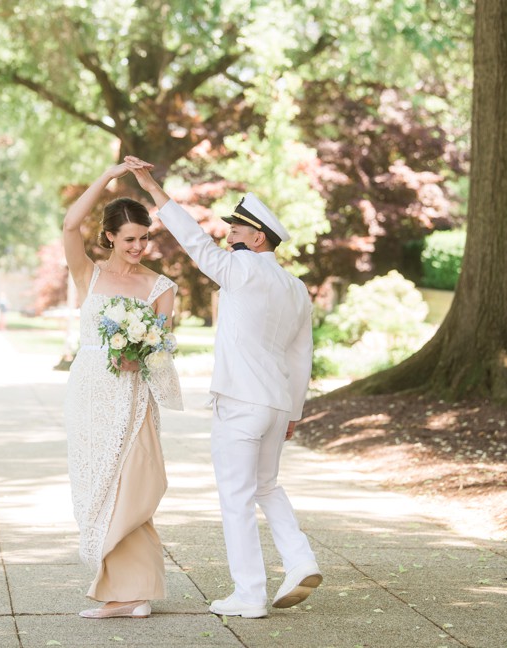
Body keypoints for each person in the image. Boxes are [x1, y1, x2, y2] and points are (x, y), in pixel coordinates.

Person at [125, 156, 321, 619]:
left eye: (237, 229)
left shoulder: (242, 269)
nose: (228, 233)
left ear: (257, 238)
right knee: (267, 486)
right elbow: (300, 356)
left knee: (236, 498)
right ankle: (300, 560)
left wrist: (152, 188)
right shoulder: (295, 287)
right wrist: (293, 412)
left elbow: (194, 242)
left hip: (240, 404)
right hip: (275, 405)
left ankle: (249, 594)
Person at [62, 162, 183, 620]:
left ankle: (132, 593)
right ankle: (126, 593)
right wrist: (110, 175)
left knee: (133, 488)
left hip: (133, 397)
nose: (138, 247)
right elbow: (71, 223)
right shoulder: (87, 274)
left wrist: (143, 355)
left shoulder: (159, 286)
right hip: (88, 392)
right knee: (97, 488)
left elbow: (164, 346)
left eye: (144, 238)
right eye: (129, 238)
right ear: (110, 236)